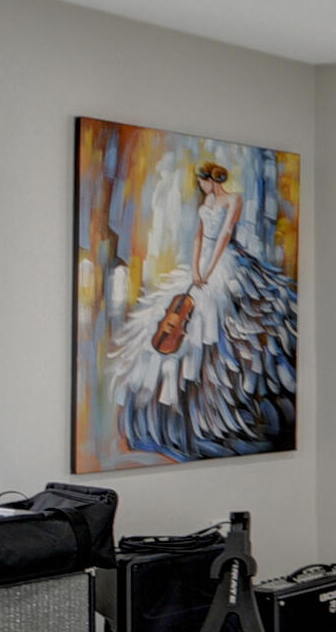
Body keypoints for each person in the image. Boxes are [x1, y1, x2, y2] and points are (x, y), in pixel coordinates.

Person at [110, 158, 298, 459]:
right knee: (169, 314)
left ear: (212, 179)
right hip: (202, 264)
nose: (200, 186)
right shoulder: (207, 200)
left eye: (202, 181)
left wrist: (209, 271)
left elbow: (224, 237)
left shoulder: (233, 200)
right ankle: (169, 414)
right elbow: (199, 236)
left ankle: (210, 413)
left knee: (216, 323)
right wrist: (196, 269)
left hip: (224, 263)